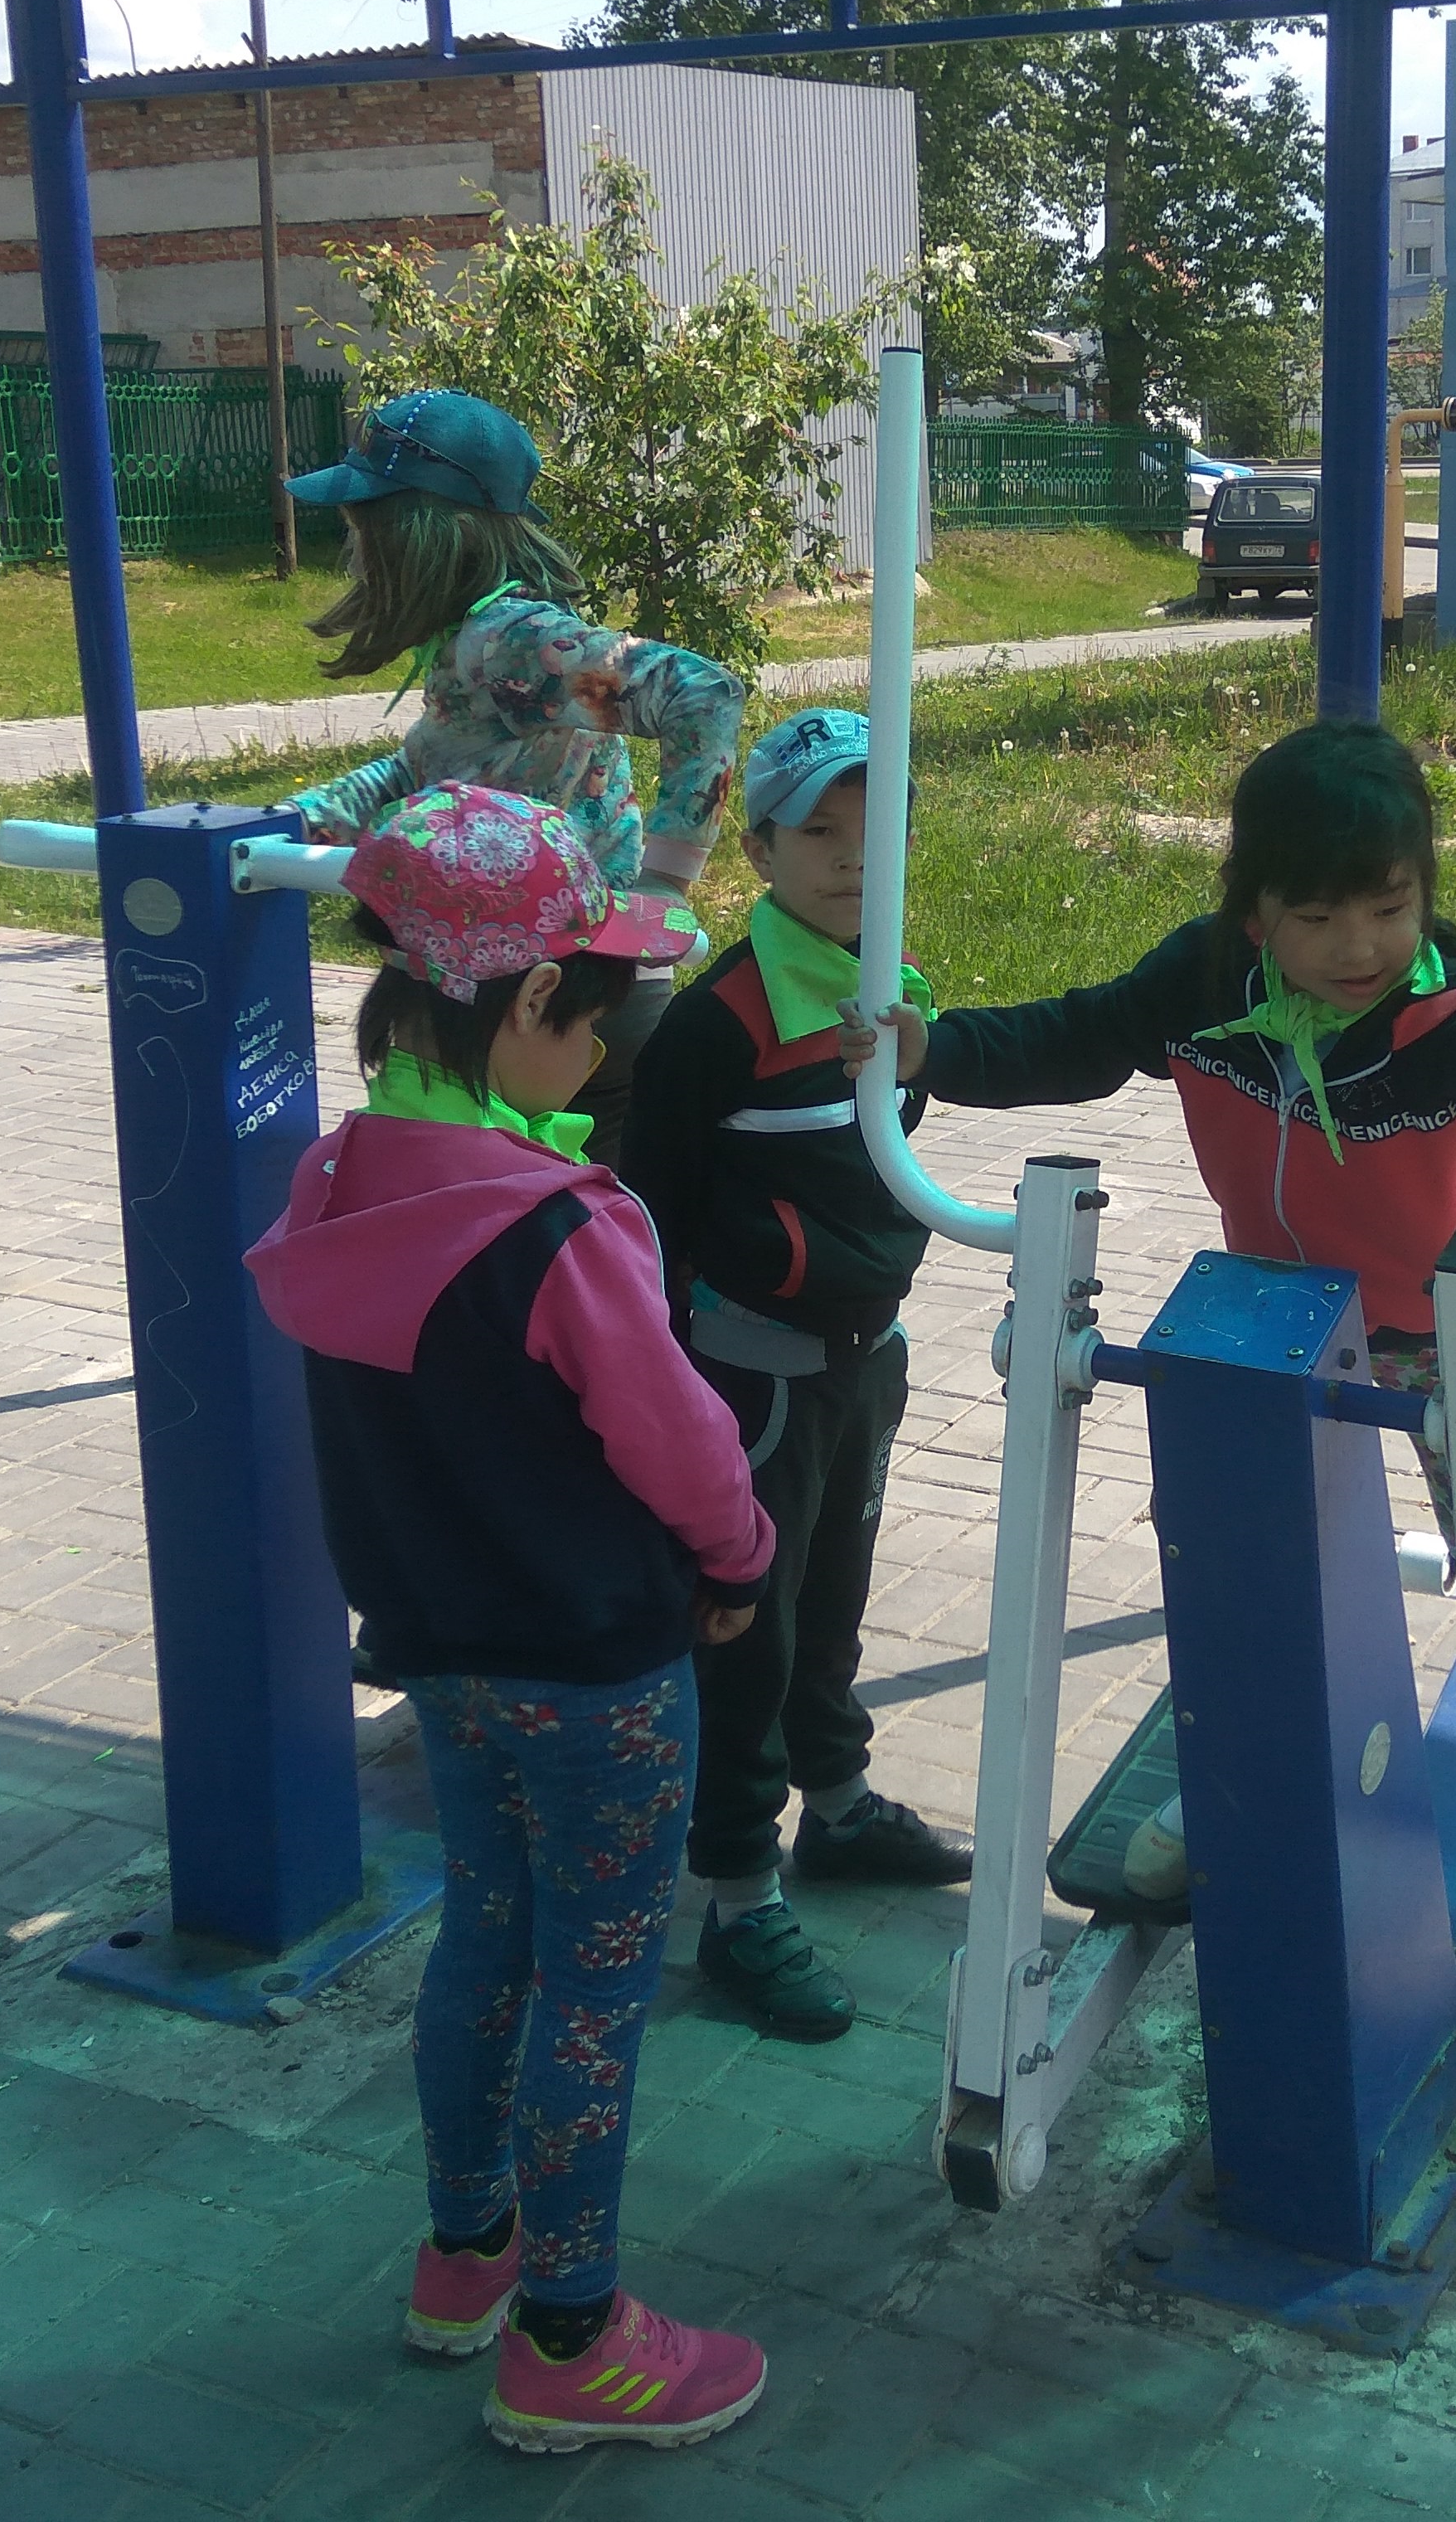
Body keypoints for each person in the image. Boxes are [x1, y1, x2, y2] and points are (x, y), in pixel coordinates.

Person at [871, 717, 1456, 1888]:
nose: (1361, 947)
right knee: (1239, 1538)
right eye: (1320, 917)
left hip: (1438, 1315)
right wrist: (932, 1052)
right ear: (1255, 912)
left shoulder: (1439, 1021)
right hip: (1281, 1310)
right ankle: (1237, 1760)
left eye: (1392, 908)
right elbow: (1075, 1037)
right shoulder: (1201, 984)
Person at [244, 780, 770, 2456]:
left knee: (486, 1931)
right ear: (533, 995)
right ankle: (570, 2336)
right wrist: (741, 1558)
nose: (603, 1051)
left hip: (440, 1653)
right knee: (594, 1986)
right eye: (592, 1013)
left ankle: (464, 2252)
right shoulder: (556, 1227)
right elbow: (682, 1445)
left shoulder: (338, 1184)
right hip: (597, 1668)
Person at [623, 709, 974, 2046]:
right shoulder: (720, 1021)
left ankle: (836, 1808)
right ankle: (736, 1893)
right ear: (760, 850)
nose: (850, 860)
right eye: (817, 832)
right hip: (753, 1386)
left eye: (876, 833)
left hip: (862, 1364)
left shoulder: (889, 990)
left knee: (832, 1608)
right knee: (748, 1639)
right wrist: (672, 1392)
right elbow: (650, 1211)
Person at [281, 389, 745, 1169]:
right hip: (516, 994)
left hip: (556, 1006)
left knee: (553, 1221)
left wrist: (666, 882)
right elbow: (423, 771)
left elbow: (706, 693)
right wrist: (289, 824)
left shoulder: (511, 640)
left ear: (423, 532)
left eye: (365, 527)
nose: (355, 552)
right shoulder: (478, 642)